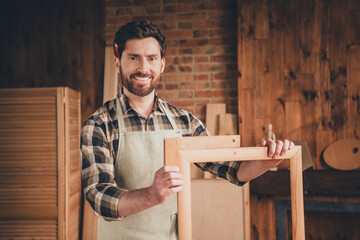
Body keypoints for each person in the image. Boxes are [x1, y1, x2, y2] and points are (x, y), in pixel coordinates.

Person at [81, 20, 294, 240]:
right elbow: (99, 196)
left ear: (162, 64)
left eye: (151, 58)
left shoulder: (184, 122)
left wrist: (264, 162)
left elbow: (229, 168)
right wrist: (151, 195)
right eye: (133, 58)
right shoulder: (99, 124)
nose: (143, 68)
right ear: (117, 63)